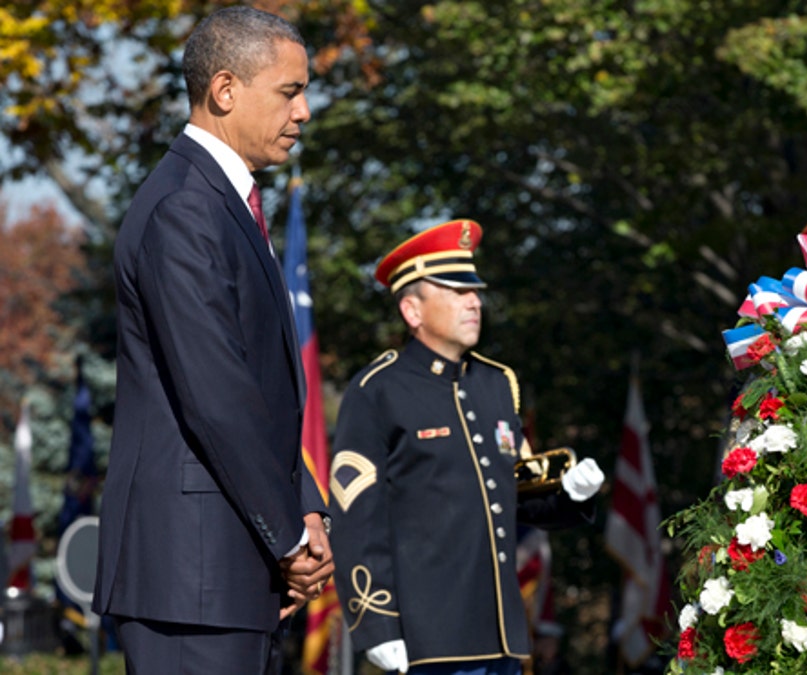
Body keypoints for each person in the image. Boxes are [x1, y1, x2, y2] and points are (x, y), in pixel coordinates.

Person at [93, 7, 333, 673]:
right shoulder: (185, 208)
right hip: (189, 578)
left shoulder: (220, 203)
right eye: (290, 91)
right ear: (225, 90)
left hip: (223, 575)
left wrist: (307, 510)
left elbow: (261, 393)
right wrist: (289, 538)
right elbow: (217, 396)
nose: (306, 111)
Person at [328, 219, 606, 675]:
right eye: (456, 291)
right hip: (426, 642)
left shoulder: (496, 384)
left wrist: (568, 493)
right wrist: (376, 625)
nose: (474, 301)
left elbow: (515, 497)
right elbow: (357, 519)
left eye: (474, 290)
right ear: (412, 311)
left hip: (501, 638)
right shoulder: (377, 390)